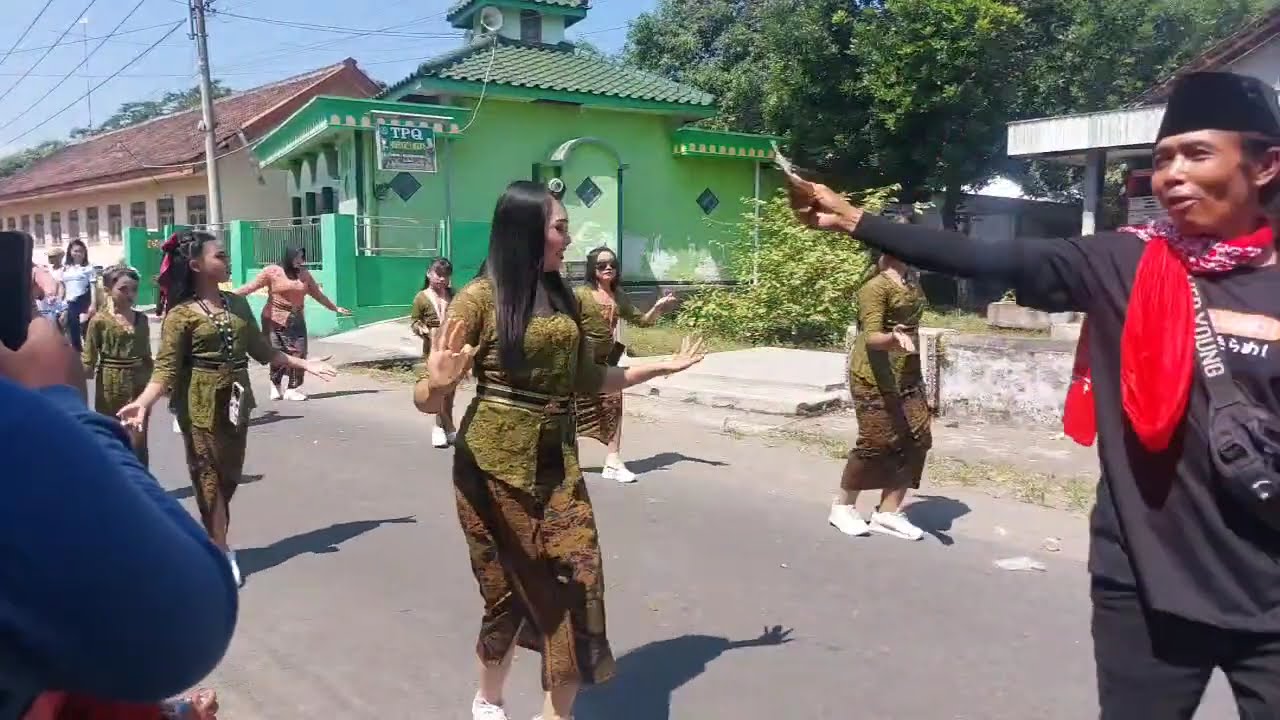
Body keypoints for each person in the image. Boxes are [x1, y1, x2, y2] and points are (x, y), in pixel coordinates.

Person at [789, 71, 1280, 718]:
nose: (1174, 175)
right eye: (1162, 159)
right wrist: (856, 220)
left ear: (1265, 165)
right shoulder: (1120, 262)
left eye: (1197, 154)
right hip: (1143, 587)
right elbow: (988, 258)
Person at [413, 181, 706, 720]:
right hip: (490, 472)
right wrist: (438, 384)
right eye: (560, 228)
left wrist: (657, 368)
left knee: (578, 588)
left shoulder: (565, 297)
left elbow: (590, 377)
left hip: (558, 469)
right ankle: (489, 698)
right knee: (505, 595)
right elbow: (426, 397)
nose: (568, 240)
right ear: (526, 231)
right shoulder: (479, 298)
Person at [0, 316, 232, 718]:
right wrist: (61, 402)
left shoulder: (151, 320)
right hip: (129, 390)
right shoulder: (143, 318)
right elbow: (181, 625)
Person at [117, 231, 338, 587]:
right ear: (195, 265)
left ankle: (211, 535)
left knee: (229, 476)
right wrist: (144, 403)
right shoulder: (181, 315)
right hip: (198, 401)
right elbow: (166, 368)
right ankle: (220, 550)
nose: (227, 260)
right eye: (220, 256)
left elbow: (263, 351)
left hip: (237, 398)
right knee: (207, 477)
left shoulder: (237, 304)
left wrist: (303, 363)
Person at [829, 239, 930, 541]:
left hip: (907, 372)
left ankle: (888, 512)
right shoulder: (875, 286)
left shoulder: (912, 280)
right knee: (875, 441)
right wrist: (893, 339)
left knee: (918, 437)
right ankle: (842, 507)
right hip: (873, 373)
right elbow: (871, 337)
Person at [574, 246, 679, 483]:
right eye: (601, 265)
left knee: (614, 402)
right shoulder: (580, 294)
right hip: (578, 362)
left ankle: (613, 460)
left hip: (604, 363)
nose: (608, 268)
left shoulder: (618, 295)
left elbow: (642, 322)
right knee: (570, 411)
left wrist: (658, 308)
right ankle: (562, 459)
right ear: (592, 269)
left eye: (612, 264)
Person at [231, 246, 350, 402]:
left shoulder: (304, 274)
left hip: (296, 319)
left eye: (302, 257)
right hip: (273, 318)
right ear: (289, 257)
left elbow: (318, 295)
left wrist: (334, 308)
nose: (300, 261)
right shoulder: (272, 271)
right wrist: (225, 297)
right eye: (297, 257)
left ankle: (293, 388)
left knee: (299, 352)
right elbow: (250, 287)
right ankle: (275, 384)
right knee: (277, 352)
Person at [81, 266, 153, 465]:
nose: (130, 295)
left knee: (139, 439)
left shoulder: (142, 319)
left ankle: (141, 486)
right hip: (110, 386)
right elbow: (88, 360)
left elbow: (147, 355)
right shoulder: (99, 322)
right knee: (113, 438)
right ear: (108, 289)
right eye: (123, 289)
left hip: (139, 383)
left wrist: (159, 385)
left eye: (134, 289)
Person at [410, 257, 457, 448]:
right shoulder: (421, 297)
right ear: (429, 273)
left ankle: (448, 426)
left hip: (452, 350)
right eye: (438, 275)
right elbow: (414, 321)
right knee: (438, 389)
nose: (442, 279)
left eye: (446, 276)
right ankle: (440, 428)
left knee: (450, 391)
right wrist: (424, 331)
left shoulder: (453, 295)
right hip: (432, 351)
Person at [59, 240, 97, 353]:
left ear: (85, 253)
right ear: (70, 252)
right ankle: (76, 357)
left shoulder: (89, 268)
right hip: (68, 303)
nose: (78, 253)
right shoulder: (65, 269)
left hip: (82, 301)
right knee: (69, 333)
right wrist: (61, 304)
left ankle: (88, 358)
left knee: (86, 333)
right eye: (75, 251)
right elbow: (63, 288)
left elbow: (93, 287)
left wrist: (93, 305)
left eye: (81, 251)